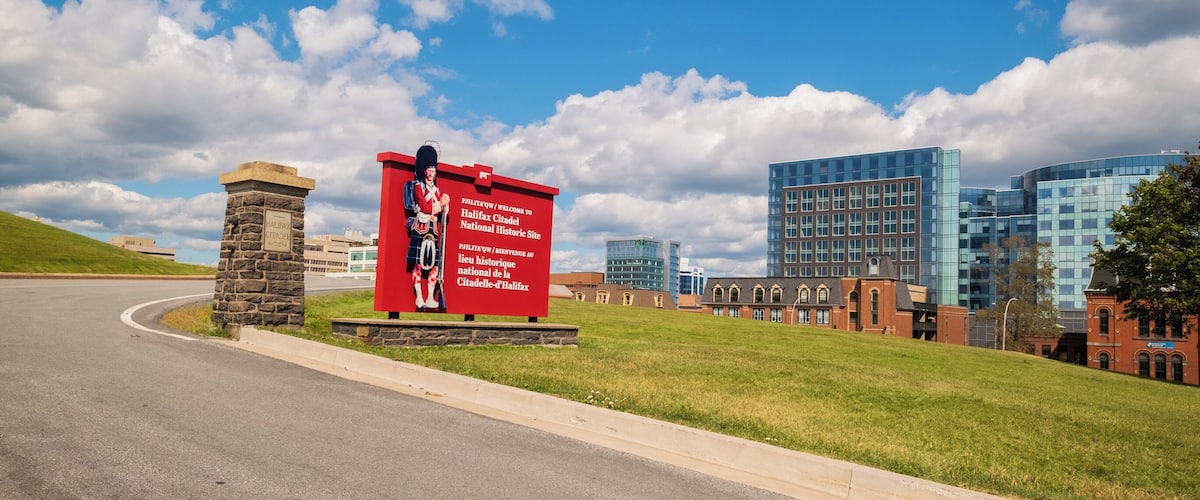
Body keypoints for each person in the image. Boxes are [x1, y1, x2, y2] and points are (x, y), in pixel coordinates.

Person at [406, 143, 450, 309]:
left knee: (434, 266)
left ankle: (430, 297)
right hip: (421, 226)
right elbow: (424, 207)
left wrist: (445, 205)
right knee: (418, 264)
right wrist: (440, 204)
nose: (432, 173)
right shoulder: (418, 186)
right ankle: (419, 297)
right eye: (429, 169)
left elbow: (439, 210)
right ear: (424, 170)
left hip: (433, 228)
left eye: (433, 170)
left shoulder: (436, 190)